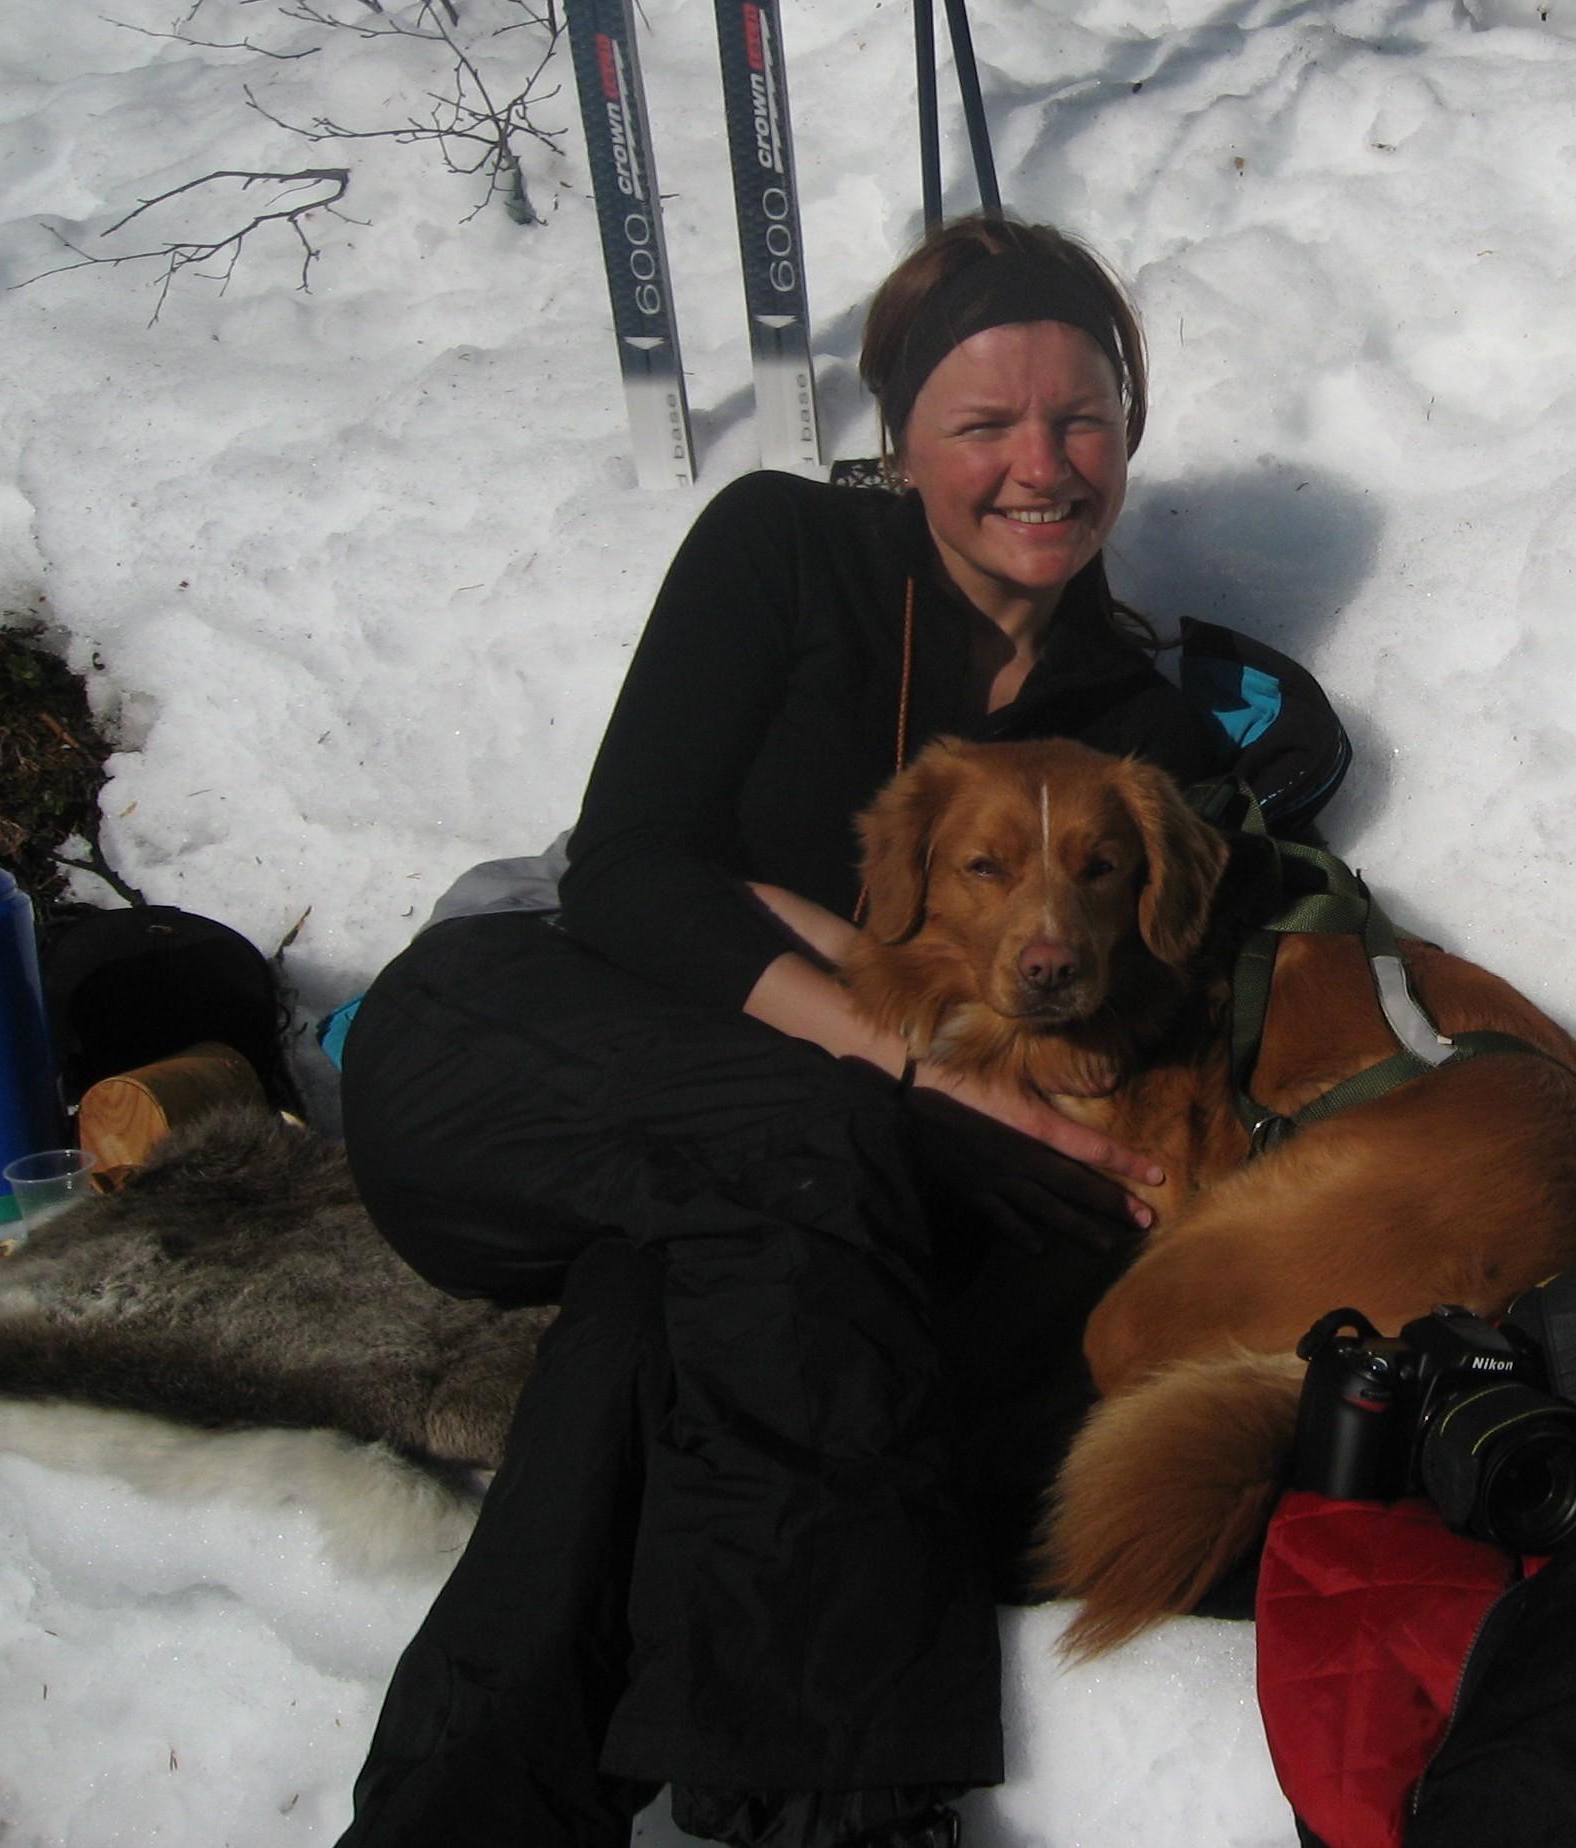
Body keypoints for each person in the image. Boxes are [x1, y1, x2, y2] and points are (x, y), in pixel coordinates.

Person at [334, 216, 1327, 1848]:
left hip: (751, 1175)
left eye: (1080, 418)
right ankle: (850, 1816)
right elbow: (633, 873)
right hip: (510, 1041)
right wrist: (915, 1063)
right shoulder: (782, 550)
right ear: (903, 439)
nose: (1039, 466)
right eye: (984, 424)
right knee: (813, 1140)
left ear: (1129, 432)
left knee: (676, 1304)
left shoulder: (1130, 726)